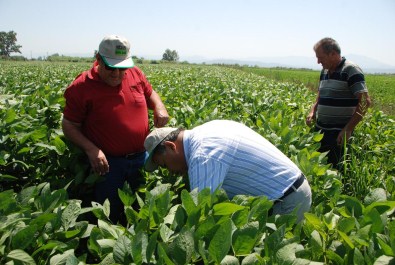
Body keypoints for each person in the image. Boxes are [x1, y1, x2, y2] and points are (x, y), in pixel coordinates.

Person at [62, 35, 169, 223]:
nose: (117, 75)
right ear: (98, 59)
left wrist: (159, 107)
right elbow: (69, 125)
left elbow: (151, 93)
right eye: (111, 68)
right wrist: (91, 149)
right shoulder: (81, 87)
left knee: (141, 209)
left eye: (122, 69)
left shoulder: (135, 73)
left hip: (141, 157)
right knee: (109, 215)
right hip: (109, 165)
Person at [144, 120, 312, 222]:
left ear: (170, 146)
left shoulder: (203, 154)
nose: (170, 172)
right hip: (289, 191)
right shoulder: (207, 130)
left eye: (164, 165)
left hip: (286, 201)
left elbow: (200, 213)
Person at [306, 37, 371, 167]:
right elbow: (321, 94)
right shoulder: (324, 71)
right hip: (320, 130)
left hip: (339, 135)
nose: (318, 62)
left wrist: (348, 129)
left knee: (335, 172)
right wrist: (313, 111)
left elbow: (365, 101)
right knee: (319, 169)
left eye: (321, 57)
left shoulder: (351, 70)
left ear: (333, 54)